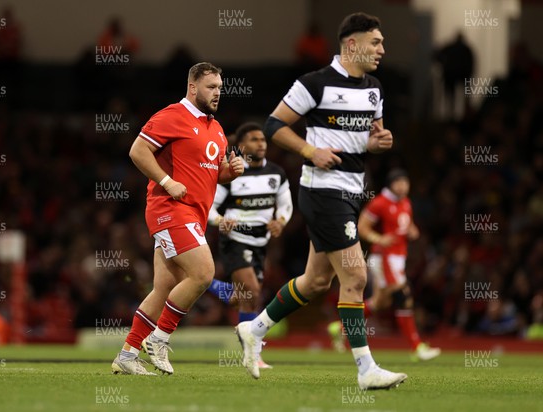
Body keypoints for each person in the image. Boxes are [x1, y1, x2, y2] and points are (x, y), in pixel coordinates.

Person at [235, 12, 408, 389]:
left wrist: (376, 143)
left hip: (350, 192)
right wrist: (310, 151)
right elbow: (273, 125)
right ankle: (366, 370)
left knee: (315, 282)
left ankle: (254, 328)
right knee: (357, 274)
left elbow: (362, 141)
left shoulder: (375, 88)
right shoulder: (314, 83)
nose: (382, 49)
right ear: (351, 44)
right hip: (321, 192)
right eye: (375, 42)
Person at [111, 62, 244, 375]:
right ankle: (160, 339)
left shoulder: (216, 128)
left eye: (220, 89)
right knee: (203, 273)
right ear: (193, 87)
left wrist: (230, 172)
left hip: (194, 215)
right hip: (170, 208)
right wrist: (167, 181)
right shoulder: (172, 115)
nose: (217, 94)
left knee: (163, 288)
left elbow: (214, 173)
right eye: (211, 87)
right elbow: (137, 150)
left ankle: (127, 356)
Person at [329, 169, 441, 361]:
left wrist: (412, 231)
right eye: (398, 182)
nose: (402, 186)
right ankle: (416, 347)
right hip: (384, 258)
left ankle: (339, 327)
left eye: (405, 182)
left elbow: (404, 225)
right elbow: (362, 227)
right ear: (390, 184)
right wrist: (379, 239)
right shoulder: (380, 202)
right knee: (403, 295)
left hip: (397, 257)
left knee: (381, 302)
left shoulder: (405, 202)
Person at [206, 122, 293, 369]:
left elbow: (285, 205)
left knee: (242, 299)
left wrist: (281, 221)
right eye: (255, 140)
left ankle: (203, 284)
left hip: (260, 244)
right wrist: (221, 220)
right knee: (253, 292)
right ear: (242, 146)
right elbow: (209, 208)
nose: (261, 144)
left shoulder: (277, 173)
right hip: (235, 240)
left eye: (263, 140)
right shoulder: (232, 173)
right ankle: (254, 353)